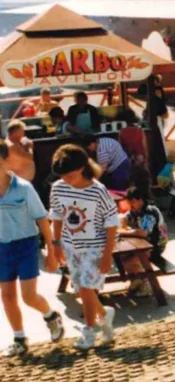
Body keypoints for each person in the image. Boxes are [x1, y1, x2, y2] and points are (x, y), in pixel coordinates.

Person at [50, 145, 118, 350]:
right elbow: (56, 216)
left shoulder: (98, 191)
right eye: (62, 175)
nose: (66, 179)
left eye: (69, 175)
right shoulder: (58, 188)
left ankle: (88, 332)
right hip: (71, 247)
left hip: (95, 248)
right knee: (82, 290)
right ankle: (104, 315)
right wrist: (56, 244)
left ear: (81, 168)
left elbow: (111, 222)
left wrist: (107, 255)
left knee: (87, 290)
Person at [0, 143, 64, 357]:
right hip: (2, 248)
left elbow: (42, 219)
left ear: (4, 161)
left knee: (28, 296)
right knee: (7, 296)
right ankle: (19, 339)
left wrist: (52, 252)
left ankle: (51, 316)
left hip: (26, 245)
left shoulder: (24, 188)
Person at [117, 187, 168, 297]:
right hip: (143, 242)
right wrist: (123, 219)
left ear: (140, 200)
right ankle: (136, 280)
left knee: (131, 258)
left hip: (156, 245)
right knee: (122, 256)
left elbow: (143, 233)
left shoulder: (150, 212)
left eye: (132, 202)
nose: (130, 205)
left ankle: (146, 283)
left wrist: (121, 233)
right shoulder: (136, 210)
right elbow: (126, 216)